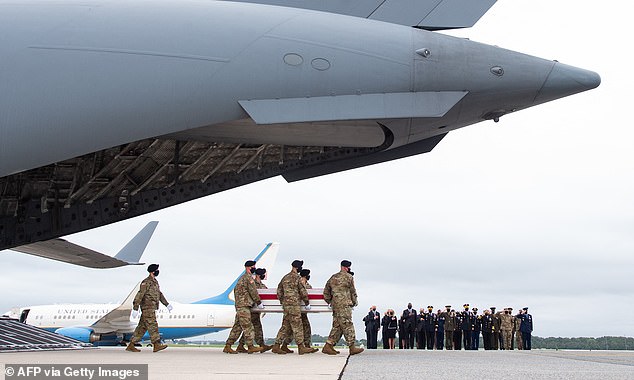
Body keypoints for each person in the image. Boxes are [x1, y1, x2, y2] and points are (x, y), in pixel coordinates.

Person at [127, 263, 172, 353]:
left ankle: (131, 345)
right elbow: (140, 295)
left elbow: (159, 294)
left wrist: (167, 304)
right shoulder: (146, 282)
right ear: (152, 271)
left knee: (142, 328)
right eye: (156, 270)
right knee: (153, 325)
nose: (158, 272)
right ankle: (156, 344)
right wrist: (135, 308)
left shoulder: (155, 282)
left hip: (152, 308)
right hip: (147, 308)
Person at [321, 260, 363, 355]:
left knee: (337, 326)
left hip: (336, 305)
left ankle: (328, 346)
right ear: (346, 267)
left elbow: (326, 292)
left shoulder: (333, 277)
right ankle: (352, 347)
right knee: (348, 324)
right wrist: (354, 302)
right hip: (345, 305)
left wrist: (331, 301)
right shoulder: (349, 277)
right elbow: (353, 291)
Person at [223, 260, 265, 354]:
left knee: (237, 327)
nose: (254, 268)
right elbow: (253, 291)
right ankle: (250, 346)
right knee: (248, 326)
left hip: (240, 305)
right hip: (244, 305)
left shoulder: (242, 278)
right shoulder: (248, 278)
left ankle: (228, 345)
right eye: (253, 266)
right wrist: (258, 302)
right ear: (248, 267)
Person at [272, 260, 312, 355]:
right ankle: (301, 347)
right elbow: (302, 291)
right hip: (294, 305)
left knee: (285, 326)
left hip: (286, 305)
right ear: (297, 267)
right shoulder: (297, 278)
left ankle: (276, 345)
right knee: (297, 325)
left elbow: (279, 291)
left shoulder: (285, 278)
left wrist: (283, 301)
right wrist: (307, 303)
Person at [236, 268, 273, 353]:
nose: (264, 275)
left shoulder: (262, 285)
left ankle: (261, 345)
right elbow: (253, 293)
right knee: (248, 328)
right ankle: (241, 345)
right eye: (263, 274)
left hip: (256, 311)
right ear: (259, 275)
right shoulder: (253, 283)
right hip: (251, 308)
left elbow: (267, 292)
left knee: (258, 328)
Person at [282, 268, 318, 353]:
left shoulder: (308, 286)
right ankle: (285, 344)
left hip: (301, 311)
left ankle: (307, 345)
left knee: (306, 327)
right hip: (295, 308)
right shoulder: (297, 281)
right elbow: (303, 293)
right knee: (291, 328)